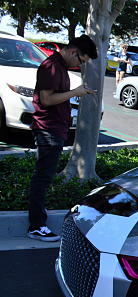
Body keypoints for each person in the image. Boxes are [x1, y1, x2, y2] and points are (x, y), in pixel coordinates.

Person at [27, 34, 98, 241]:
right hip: (47, 129)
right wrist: (75, 91)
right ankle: (36, 226)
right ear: (74, 52)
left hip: (54, 129)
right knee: (43, 177)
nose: (80, 65)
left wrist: (77, 92)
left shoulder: (59, 66)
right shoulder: (51, 66)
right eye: (81, 61)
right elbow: (46, 99)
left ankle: (39, 217)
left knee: (44, 176)